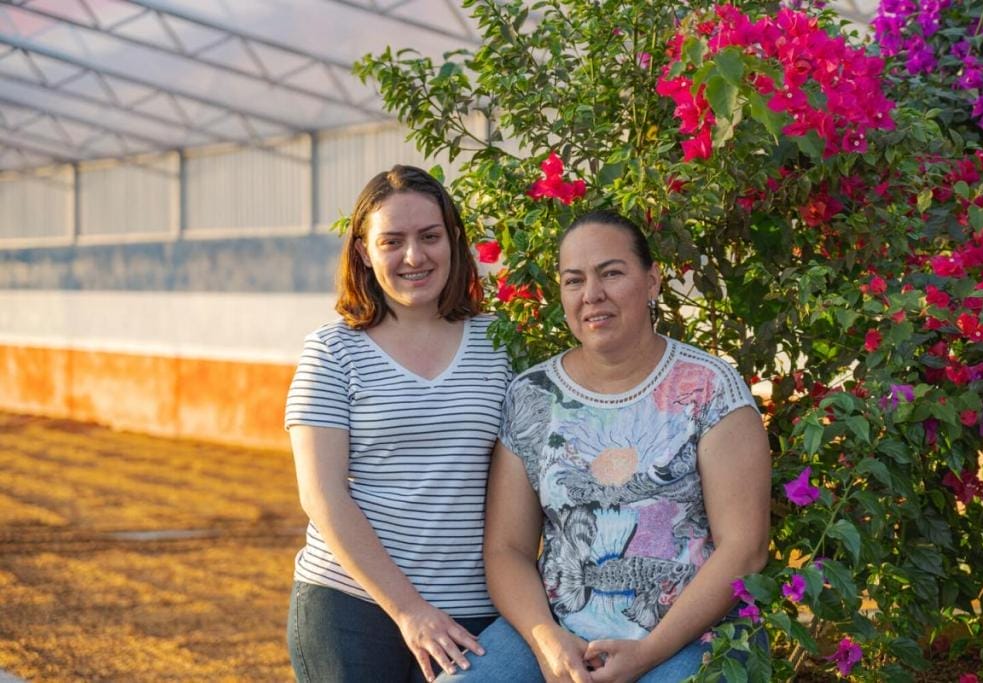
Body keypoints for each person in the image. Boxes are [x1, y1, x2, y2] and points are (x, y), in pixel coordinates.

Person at [440, 209, 771, 683]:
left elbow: (746, 549)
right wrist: (545, 640)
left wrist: (649, 652)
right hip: (561, 628)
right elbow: (507, 548)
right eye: (574, 280)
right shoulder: (533, 395)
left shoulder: (708, 388)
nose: (591, 294)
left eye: (611, 273)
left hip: (691, 634)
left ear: (652, 280)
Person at [285, 165, 512, 682]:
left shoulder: (500, 344)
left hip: (475, 608)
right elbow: (322, 495)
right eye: (393, 241)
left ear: (453, 240)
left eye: (430, 236)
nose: (414, 256)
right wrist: (409, 610)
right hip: (352, 604)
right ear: (364, 251)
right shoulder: (333, 351)